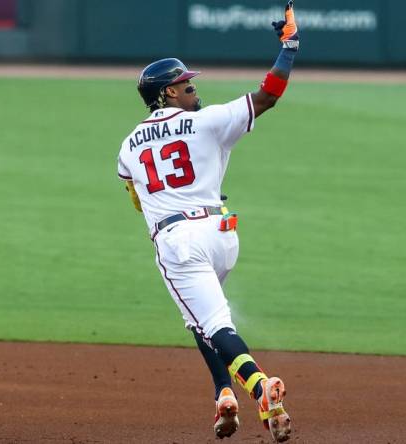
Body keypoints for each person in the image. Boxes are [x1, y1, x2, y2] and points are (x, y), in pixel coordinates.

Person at [116, 2, 299, 442]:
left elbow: (139, 202)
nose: (192, 88)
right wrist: (289, 48)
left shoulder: (127, 148)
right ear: (166, 95)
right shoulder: (208, 122)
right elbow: (268, 94)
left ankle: (260, 388)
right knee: (199, 319)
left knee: (216, 325)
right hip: (221, 235)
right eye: (183, 84)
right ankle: (223, 394)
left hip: (179, 242)